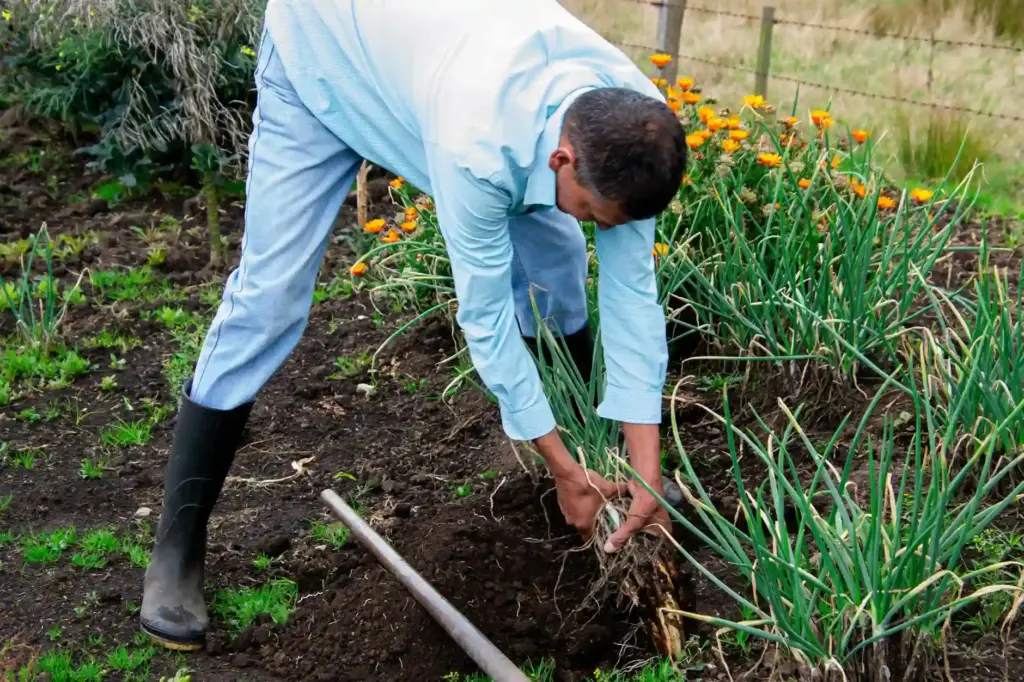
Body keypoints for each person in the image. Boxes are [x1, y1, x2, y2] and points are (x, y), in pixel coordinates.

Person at [140, 0, 687, 652]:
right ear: (564, 160)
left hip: (427, 67)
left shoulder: (637, 130)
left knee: (555, 276)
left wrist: (648, 467)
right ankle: (177, 546)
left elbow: (632, 297)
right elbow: (484, 319)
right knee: (270, 299)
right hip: (322, 60)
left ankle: (599, 478)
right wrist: (561, 467)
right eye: (593, 212)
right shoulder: (479, 141)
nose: (602, 227)